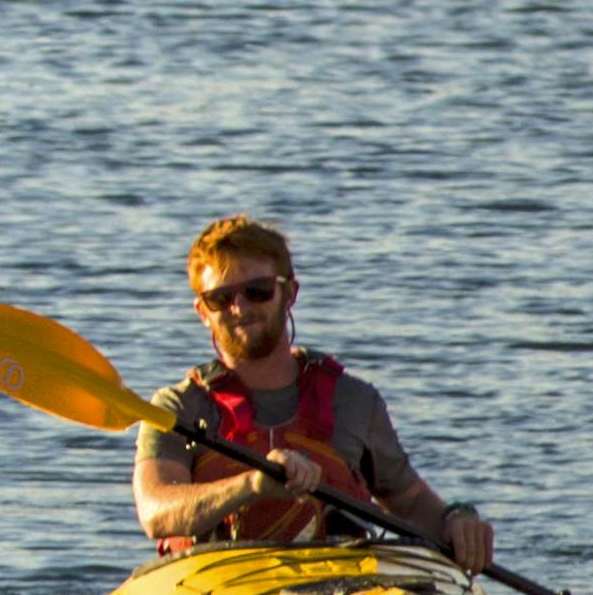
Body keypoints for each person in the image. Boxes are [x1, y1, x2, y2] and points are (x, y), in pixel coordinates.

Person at [131, 212, 488, 575]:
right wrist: (251, 485)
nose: (240, 308)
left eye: (258, 292)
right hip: (215, 592)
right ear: (202, 313)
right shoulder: (177, 408)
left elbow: (410, 502)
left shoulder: (354, 402)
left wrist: (456, 519)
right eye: (221, 298)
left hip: (337, 590)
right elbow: (156, 513)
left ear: (289, 293)